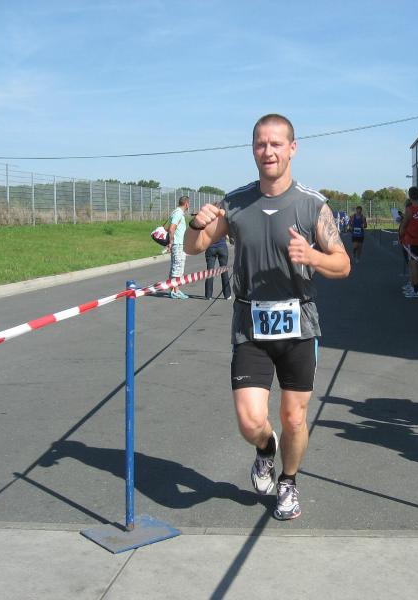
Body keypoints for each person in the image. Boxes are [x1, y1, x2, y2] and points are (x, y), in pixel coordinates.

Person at [184, 114, 350, 520]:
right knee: (250, 420)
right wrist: (195, 224)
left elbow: (343, 264)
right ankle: (264, 448)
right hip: (250, 324)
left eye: (276, 144)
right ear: (253, 149)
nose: (268, 151)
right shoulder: (235, 203)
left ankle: (288, 481)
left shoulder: (312, 204)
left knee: (294, 417)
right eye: (261, 143)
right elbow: (193, 247)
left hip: (299, 323)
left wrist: (312, 256)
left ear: (292, 148)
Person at [400, 187, 418, 298]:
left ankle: (415, 290)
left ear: (410, 196)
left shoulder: (410, 209)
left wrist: (401, 235)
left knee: (413, 266)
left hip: (412, 240)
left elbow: (404, 225)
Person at [203, 219, 233, 300]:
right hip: (222, 247)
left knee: (210, 271)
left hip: (210, 247)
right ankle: (227, 295)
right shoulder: (222, 221)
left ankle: (208, 295)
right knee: (224, 271)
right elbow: (227, 234)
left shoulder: (207, 222)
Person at [167, 196, 190, 299]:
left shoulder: (176, 212)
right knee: (177, 268)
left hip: (178, 244)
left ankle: (174, 290)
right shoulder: (178, 213)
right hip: (178, 244)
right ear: (186, 204)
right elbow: (172, 229)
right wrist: (171, 242)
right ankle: (175, 291)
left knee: (176, 268)